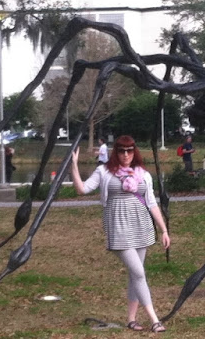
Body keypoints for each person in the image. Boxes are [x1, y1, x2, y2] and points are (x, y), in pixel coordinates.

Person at [72, 135, 170, 333]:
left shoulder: (143, 174)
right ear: (115, 152)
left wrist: (164, 230)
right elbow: (82, 189)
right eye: (121, 151)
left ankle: (132, 320)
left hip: (141, 227)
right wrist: (73, 165)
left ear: (135, 152)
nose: (126, 155)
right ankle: (154, 320)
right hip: (118, 229)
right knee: (139, 273)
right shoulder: (104, 171)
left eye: (130, 150)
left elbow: (151, 203)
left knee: (136, 274)